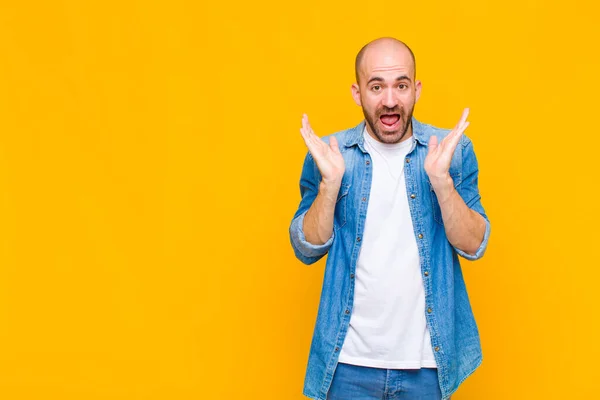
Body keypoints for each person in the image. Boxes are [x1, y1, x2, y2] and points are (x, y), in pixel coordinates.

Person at [288, 37, 491, 400]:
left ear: (416, 89)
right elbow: (306, 247)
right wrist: (330, 185)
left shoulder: (451, 151)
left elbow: (475, 245)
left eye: (401, 85)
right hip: (346, 363)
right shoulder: (332, 154)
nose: (390, 100)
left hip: (428, 367)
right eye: (376, 86)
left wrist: (442, 182)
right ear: (357, 92)